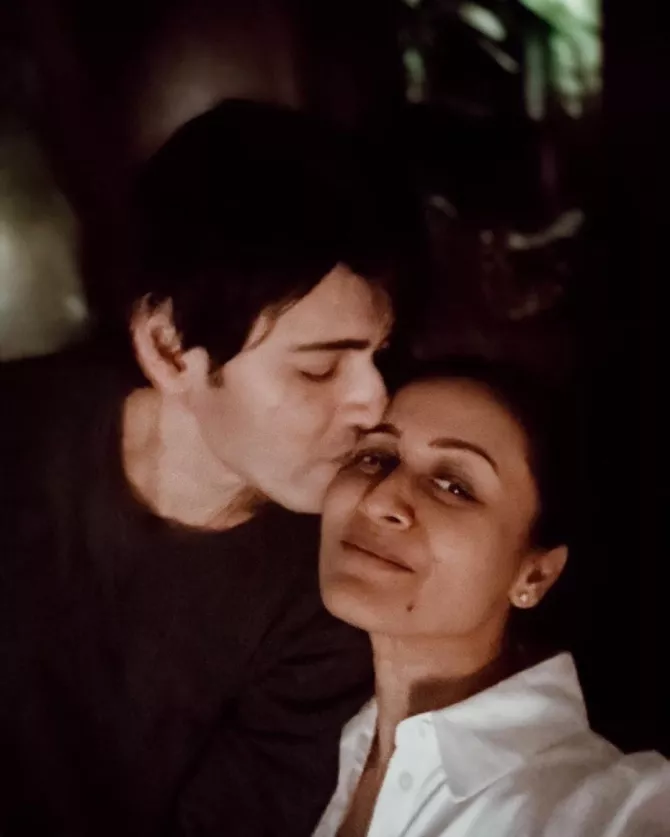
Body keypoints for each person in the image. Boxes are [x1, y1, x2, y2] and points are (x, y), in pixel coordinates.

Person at [0, 100, 414, 836]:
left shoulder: (328, 591)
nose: (374, 402)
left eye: (378, 356)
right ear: (168, 349)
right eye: (319, 368)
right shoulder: (20, 435)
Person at [315, 357, 670, 837]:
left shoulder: (605, 808)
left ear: (535, 575)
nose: (378, 501)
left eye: (454, 486)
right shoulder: (345, 747)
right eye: (375, 457)